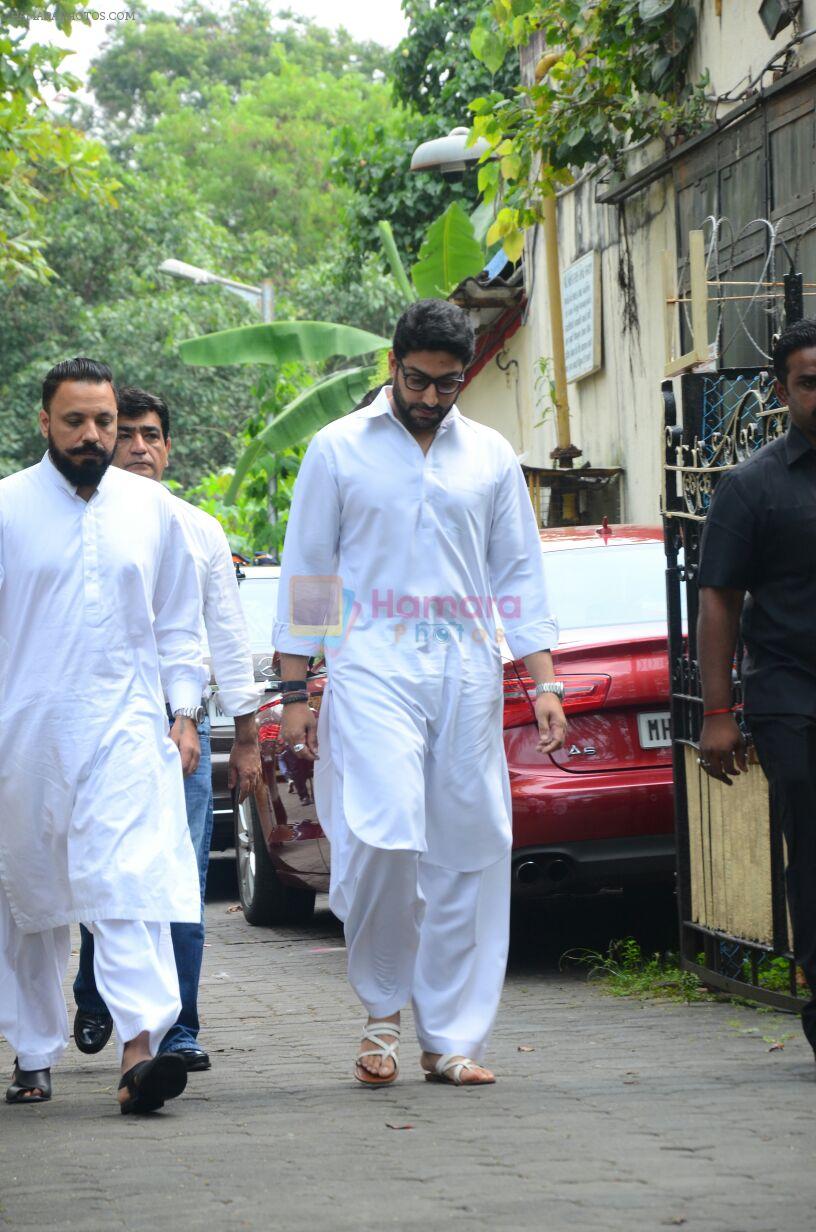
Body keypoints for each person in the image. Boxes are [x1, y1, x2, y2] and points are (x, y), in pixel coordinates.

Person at [274, 299, 565, 1086]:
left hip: (468, 674)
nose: (431, 397)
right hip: (371, 668)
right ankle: (380, 1013)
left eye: (448, 384)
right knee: (383, 835)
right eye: (418, 380)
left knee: (471, 849)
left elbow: (518, 574)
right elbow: (312, 573)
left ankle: (452, 1039)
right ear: (393, 363)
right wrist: (296, 689)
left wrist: (545, 683)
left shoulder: (492, 456)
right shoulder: (339, 451)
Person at [0, 358, 206, 1113]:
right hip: (25, 736)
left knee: (130, 888)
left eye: (104, 421)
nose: (92, 435)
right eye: (76, 421)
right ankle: (31, 1050)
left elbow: (180, 622)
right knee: (30, 900)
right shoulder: (8, 507)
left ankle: (140, 1053)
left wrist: (184, 711)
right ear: (45, 423)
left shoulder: (150, 510)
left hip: (126, 729)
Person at [73, 387, 261, 1072]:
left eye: (152, 435)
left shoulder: (196, 528)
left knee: (177, 875)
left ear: (169, 447)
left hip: (177, 726)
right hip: (93, 725)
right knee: (101, 869)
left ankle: (178, 1026)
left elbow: (228, 640)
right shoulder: (76, 525)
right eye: (127, 435)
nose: (140, 447)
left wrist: (244, 738)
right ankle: (96, 992)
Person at [697, 318, 816, 1057]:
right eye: (809, 381)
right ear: (782, 390)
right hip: (791, 693)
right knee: (811, 844)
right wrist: (718, 713)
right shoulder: (753, 487)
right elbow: (719, 600)